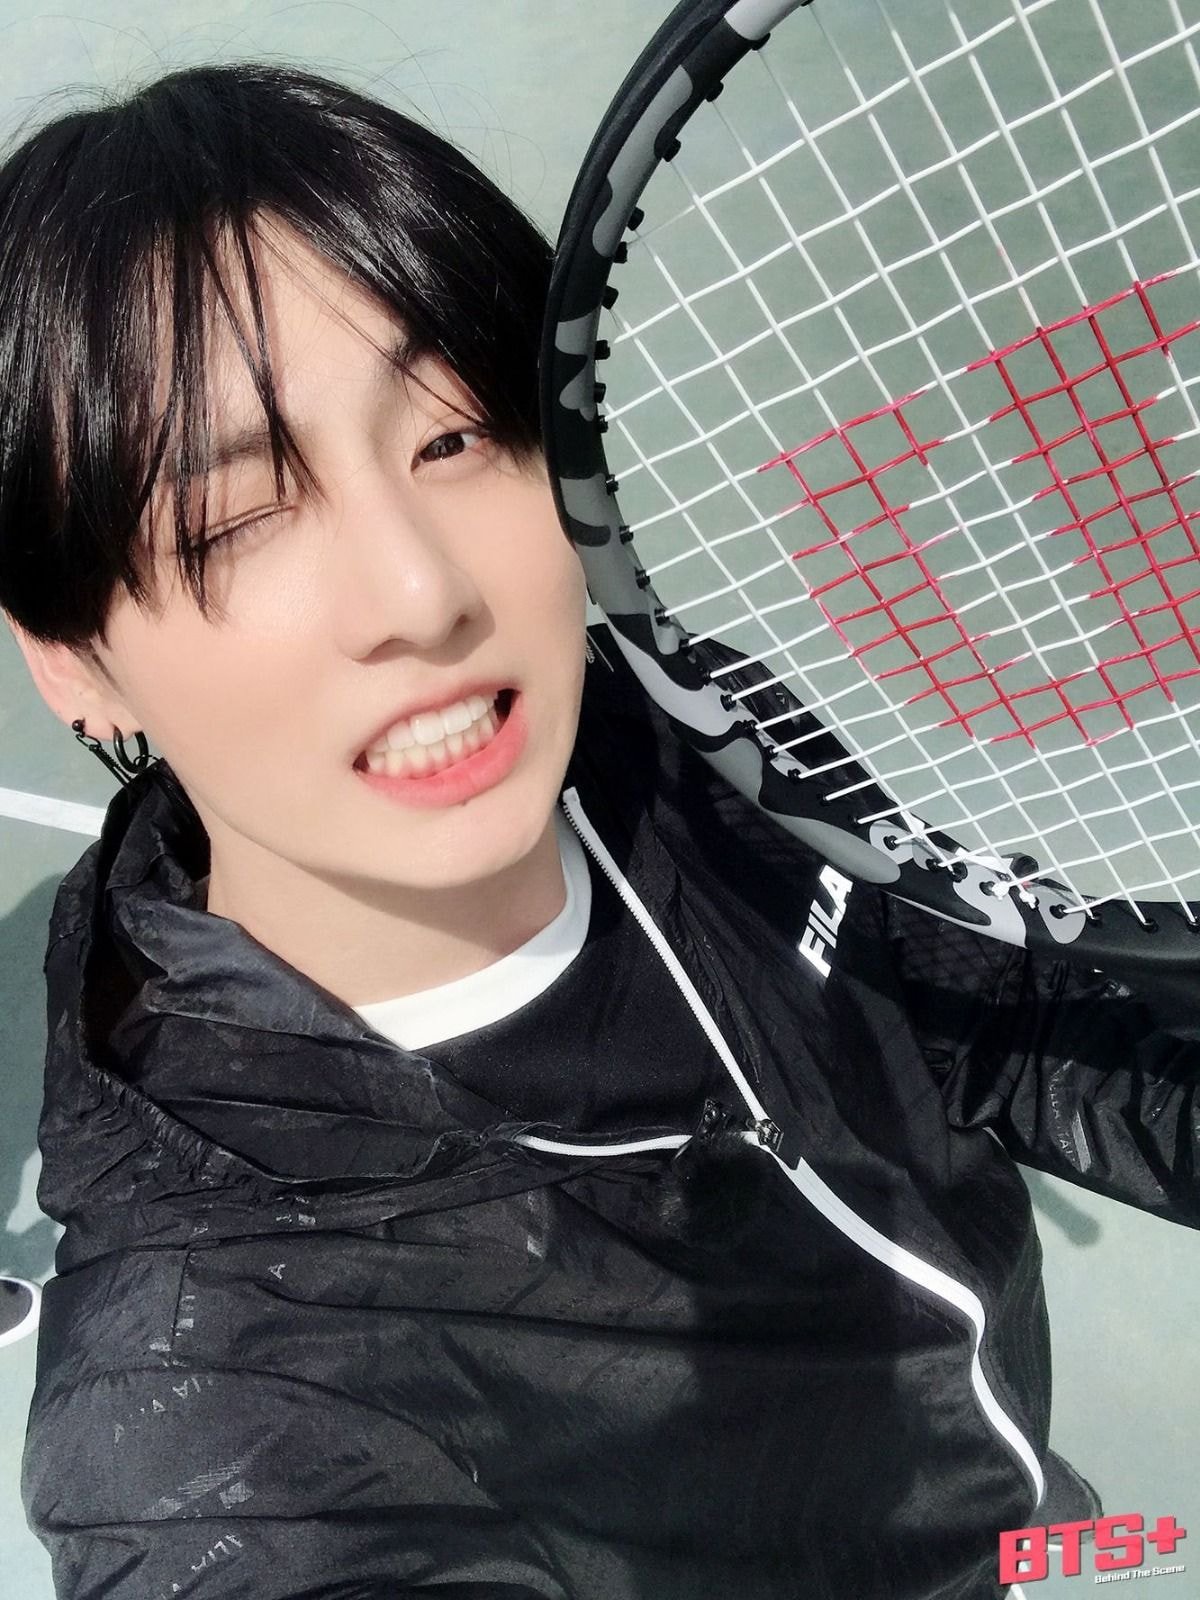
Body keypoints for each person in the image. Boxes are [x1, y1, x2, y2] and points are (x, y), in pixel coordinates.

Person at [0, 59, 1195, 1600]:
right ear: (73, 656)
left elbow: (984, 1014)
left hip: (1005, 1507)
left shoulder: (679, 729)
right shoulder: (213, 1413)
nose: (424, 594)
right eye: (237, 518)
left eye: (453, 437)